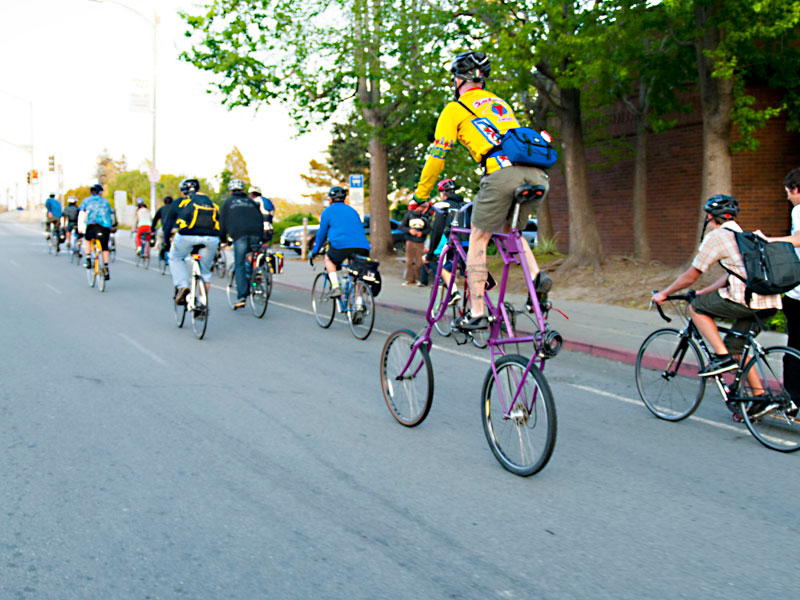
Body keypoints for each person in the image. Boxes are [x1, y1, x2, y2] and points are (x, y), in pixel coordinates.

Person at [411, 50, 550, 330]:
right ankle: (536, 277)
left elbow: (438, 155)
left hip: (501, 173)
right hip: (537, 175)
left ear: (458, 80)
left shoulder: (455, 109)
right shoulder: (501, 103)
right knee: (511, 232)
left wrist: (421, 195)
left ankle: (476, 312)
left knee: (478, 238)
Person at [653, 194, 782, 378]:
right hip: (769, 302)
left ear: (710, 217)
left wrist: (664, 294)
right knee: (736, 348)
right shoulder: (746, 236)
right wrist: (704, 292)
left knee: (697, 307)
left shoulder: (717, 237)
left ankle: (722, 358)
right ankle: (759, 399)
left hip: (746, 300)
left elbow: (691, 275)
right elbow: (735, 274)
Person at [754, 168, 800, 407]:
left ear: (796, 189)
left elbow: (799, 238)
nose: (788, 198)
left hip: (798, 294)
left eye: (788, 193)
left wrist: (769, 240)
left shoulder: (799, 209)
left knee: (794, 349)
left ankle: (793, 401)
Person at [164, 178, 221, 305]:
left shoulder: (181, 202)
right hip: (211, 238)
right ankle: (202, 304)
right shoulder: (211, 203)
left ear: (183, 191)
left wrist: (166, 242)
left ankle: (183, 286)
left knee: (175, 257)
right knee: (205, 273)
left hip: (187, 235)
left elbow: (168, 223)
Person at [309, 186, 370, 298]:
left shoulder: (327, 212)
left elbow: (321, 234)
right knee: (356, 274)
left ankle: (336, 287)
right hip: (363, 246)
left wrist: (314, 251)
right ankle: (359, 302)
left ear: (331, 199)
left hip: (340, 245)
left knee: (329, 259)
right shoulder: (353, 211)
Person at [221, 178, 265, 309]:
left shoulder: (228, 203)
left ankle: (242, 296)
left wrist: (222, 239)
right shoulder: (251, 202)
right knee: (252, 255)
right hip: (256, 233)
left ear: (230, 191)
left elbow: (222, 222)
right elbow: (260, 218)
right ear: (243, 190)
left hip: (240, 234)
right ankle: (257, 272)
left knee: (239, 264)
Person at [424, 179, 469, 302]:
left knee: (443, 269)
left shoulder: (443, 206)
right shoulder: (467, 205)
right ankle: (474, 308)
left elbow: (437, 231)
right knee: (470, 275)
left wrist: (431, 252)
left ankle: (454, 293)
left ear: (443, 194)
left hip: (455, 247)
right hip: (472, 246)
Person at [79, 184, 113, 279]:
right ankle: (106, 267)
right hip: (105, 227)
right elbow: (110, 214)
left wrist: (80, 228)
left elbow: (82, 214)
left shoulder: (86, 201)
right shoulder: (105, 201)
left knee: (87, 240)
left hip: (92, 225)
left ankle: (88, 258)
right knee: (105, 247)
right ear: (100, 192)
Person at [400, 199, 432, 286]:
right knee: (409, 261)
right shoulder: (409, 215)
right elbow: (402, 227)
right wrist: (409, 231)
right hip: (410, 241)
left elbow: (428, 229)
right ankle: (409, 279)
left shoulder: (424, 217)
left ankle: (418, 278)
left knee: (419, 262)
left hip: (420, 242)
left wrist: (422, 233)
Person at [151, 196, 173, 264]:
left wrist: (152, 228)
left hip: (164, 228)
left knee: (160, 237)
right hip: (174, 229)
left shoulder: (161, 209)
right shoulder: (174, 208)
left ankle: (161, 250)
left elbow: (155, 219)